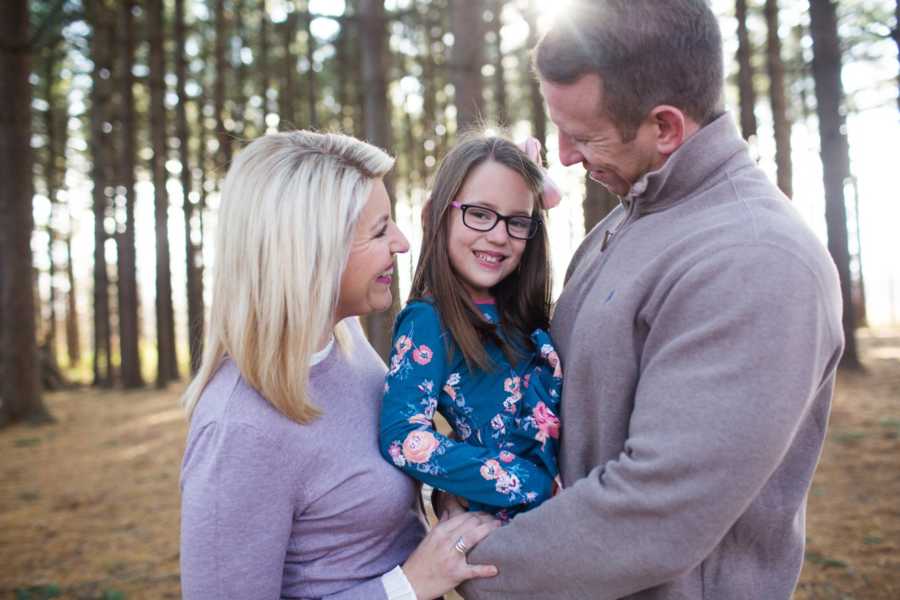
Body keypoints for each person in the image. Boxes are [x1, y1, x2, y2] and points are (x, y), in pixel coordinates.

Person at [458, 1, 845, 599]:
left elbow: (657, 511)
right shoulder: (627, 225)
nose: (563, 156)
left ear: (665, 127)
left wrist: (474, 562)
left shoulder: (754, 259)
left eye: (583, 136)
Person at [178, 130, 500, 600]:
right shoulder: (240, 432)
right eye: (379, 229)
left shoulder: (343, 340)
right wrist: (407, 585)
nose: (402, 242)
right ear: (313, 253)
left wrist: (446, 494)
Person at [379, 134, 564, 523]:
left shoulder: (523, 315)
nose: (498, 235)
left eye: (517, 221)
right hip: (518, 529)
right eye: (479, 213)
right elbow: (402, 437)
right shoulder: (429, 321)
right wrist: (530, 483)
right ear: (436, 215)